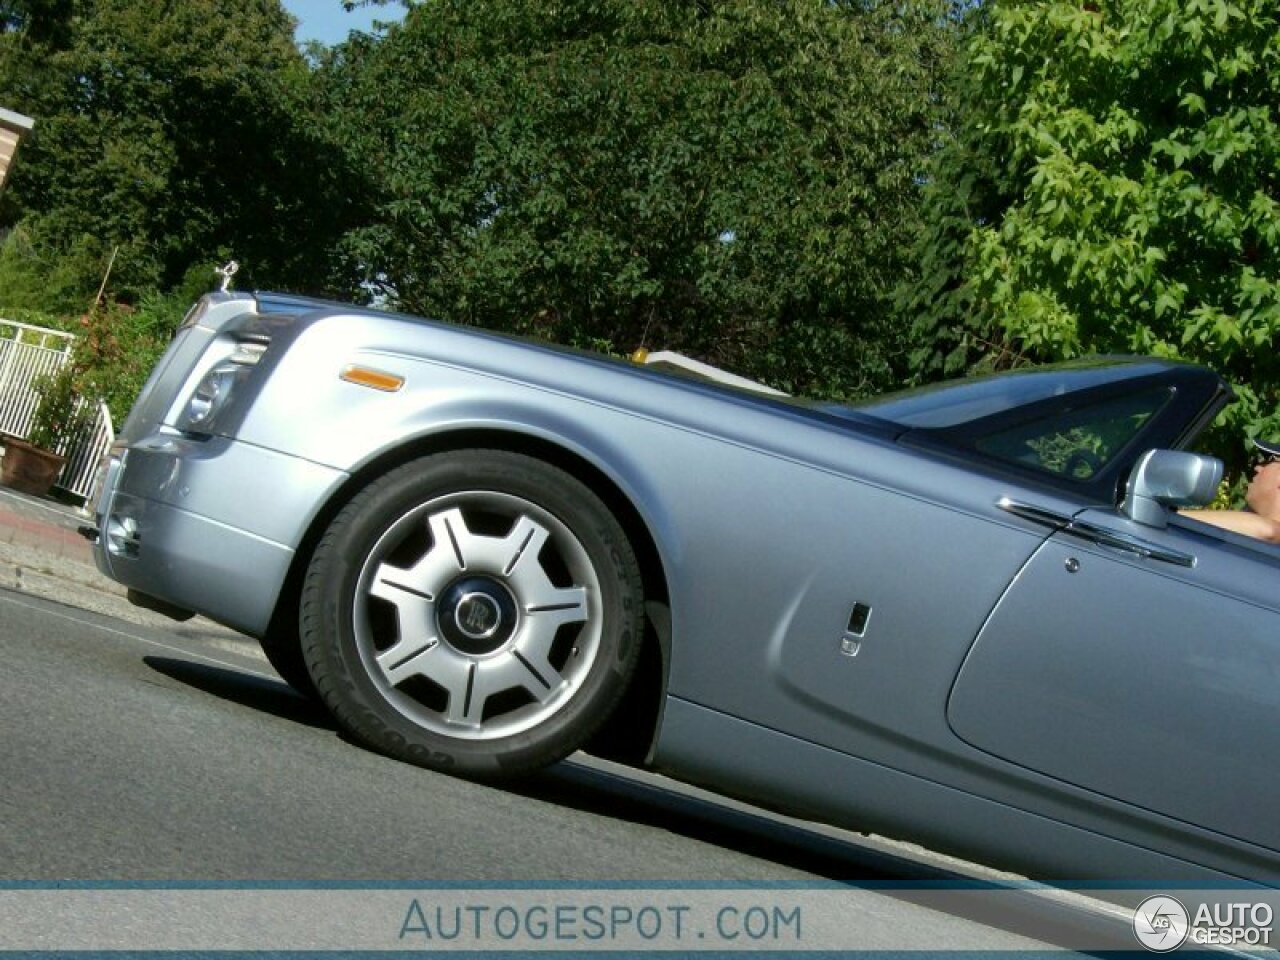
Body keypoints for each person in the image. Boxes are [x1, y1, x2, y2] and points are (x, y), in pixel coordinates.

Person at [1181, 438, 1280, 543]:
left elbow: (1268, 530)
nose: (1257, 467)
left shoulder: (1269, 533)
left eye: (1269, 460)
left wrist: (1171, 516)